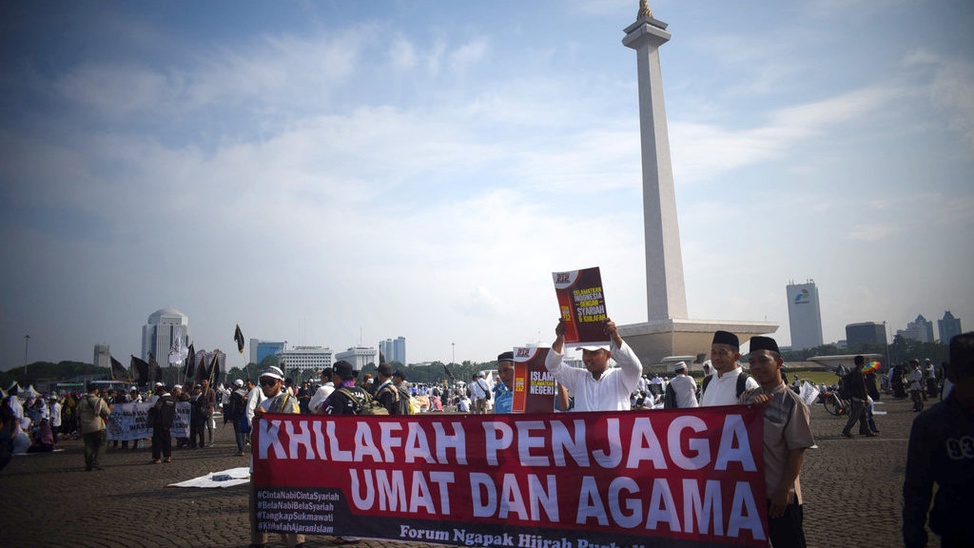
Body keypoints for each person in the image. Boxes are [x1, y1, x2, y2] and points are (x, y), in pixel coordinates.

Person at [739, 336, 814, 548]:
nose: (756, 367)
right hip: (751, 495)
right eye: (752, 362)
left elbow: (796, 451)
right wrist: (751, 412)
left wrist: (784, 490)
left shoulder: (793, 403)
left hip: (780, 497)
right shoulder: (746, 398)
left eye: (763, 360)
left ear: (779, 363)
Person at [903, 332, 974, 548]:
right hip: (959, 529)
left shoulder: (930, 422)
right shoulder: (932, 424)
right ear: (952, 375)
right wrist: (913, 531)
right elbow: (917, 486)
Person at [250, 366, 304, 548]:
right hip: (260, 464)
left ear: (280, 383)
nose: (266, 386)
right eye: (263, 382)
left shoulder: (289, 401)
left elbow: (291, 429)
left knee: (286, 505)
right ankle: (259, 541)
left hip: (281, 463)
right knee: (259, 505)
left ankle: (295, 542)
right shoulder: (262, 404)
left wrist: (267, 419)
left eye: (270, 382)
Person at [544, 318, 643, 411]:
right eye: (585, 352)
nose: (587, 358)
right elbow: (552, 365)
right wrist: (560, 339)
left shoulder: (620, 378)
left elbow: (635, 368)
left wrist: (616, 337)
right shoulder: (578, 378)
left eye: (594, 353)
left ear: (608, 355)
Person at [699, 331, 758, 406]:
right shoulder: (707, 382)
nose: (716, 357)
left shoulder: (746, 383)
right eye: (714, 353)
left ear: (736, 356)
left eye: (722, 353)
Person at [77, 385, 112, 471]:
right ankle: (96, 462)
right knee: (103, 444)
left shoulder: (82, 401)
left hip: (85, 427)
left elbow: (77, 413)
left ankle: (88, 464)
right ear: (96, 390)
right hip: (97, 426)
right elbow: (107, 412)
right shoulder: (99, 401)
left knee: (88, 446)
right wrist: (110, 408)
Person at [841, 356, 876, 438]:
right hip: (859, 398)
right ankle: (846, 429)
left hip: (856, 396)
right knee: (855, 416)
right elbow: (862, 387)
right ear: (862, 363)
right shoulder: (859, 373)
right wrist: (865, 398)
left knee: (863, 416)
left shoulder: (854, 372)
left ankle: (866, 430)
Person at [149, 384, 176, 464]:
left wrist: (151, 410)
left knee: (157, 441)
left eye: (159, 393)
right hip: (168, 422)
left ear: (162, 391)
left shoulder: (162, 399)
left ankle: (157, 458)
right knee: (167, 440)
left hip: (159, 422)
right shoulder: (172, 399)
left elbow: (157, 408)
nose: (159, 394)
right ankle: (168, 456)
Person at [226, 379, 249, 456]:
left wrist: (230, 416)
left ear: (236, 385)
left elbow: (232, 406)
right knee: (243, 432)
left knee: (238, 432)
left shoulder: (234, 394)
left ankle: (241, 450)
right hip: (244, 414)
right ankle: (243, 448)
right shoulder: (246, 393)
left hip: (237, 415)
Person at [201, 378, 216, 447]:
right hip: (200, 411)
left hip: (208, 411)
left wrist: (207, 406)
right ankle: (202, 442)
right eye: (202, 381)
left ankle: (211, 442)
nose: (203, 382)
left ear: (208, 382)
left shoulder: (211, 391)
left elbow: (213, 401)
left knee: (210, 427)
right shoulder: (200, 391)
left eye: (204, 381)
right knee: (201, 427)